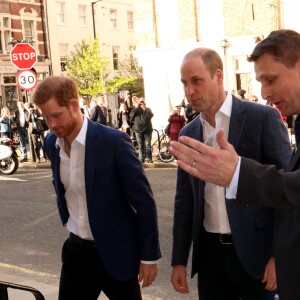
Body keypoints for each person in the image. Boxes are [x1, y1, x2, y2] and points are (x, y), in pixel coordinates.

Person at [169, 29, 300, 300]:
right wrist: (179, 259)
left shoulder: (261, 118)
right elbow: (185, 201)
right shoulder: (188, 134)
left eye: (196, 81)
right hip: (210, 257)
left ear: (218, 77)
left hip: (256, 257)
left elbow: (288, 187)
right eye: (184, 83)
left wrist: (277, 255)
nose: (189, 91)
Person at [32, 76, 161, 300]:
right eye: (46, 117)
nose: (51, 124)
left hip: (116, 253)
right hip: (76, 253)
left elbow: (144, 202)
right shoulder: (52, 143)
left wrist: (149, 257)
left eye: (56, 115)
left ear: (74, 105)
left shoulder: (114, 142)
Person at [130, 98, 154, 163]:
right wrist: (137, 106)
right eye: (140, 103)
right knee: (140, 145)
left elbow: (151, 116)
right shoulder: (135, 110)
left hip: (147, 130)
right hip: (138, 130)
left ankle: (149, 158)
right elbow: (131, 116)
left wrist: (145, 109)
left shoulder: (148, 109)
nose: (141, 104)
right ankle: (141, 158)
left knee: (148, 144)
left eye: (142, 102)